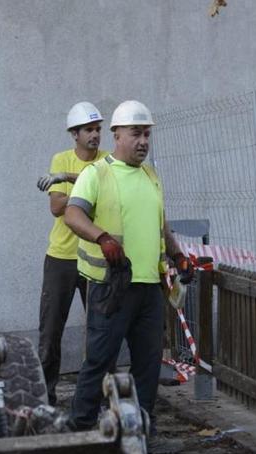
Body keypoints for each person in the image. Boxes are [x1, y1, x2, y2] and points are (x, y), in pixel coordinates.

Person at [63, 100, 193, 432]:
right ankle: (79, 430)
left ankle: (141, 433)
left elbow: (160, 224)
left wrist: (177, 255)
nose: (143, 142)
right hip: (111, 286)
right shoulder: (97, 174)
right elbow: (73, 214)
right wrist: (102, 237)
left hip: (149, 287)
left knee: (148, 366)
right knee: (99, 361)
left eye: (147, 135)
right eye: (136, 134)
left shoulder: (151, 175)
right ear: (117, 135)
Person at [35, 102, 109, 406]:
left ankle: (97, 397)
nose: (95, 135)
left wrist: (66, 178)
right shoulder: (60, 156)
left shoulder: (108, 161)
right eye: (89, 130)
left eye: (98, 130)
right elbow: (56, 208)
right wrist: (89, 196)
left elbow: (106, 190)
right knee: (50, 331)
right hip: (62, 257)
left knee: (101, 330)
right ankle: (45, 398)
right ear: (74, 134)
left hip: (95, 255)